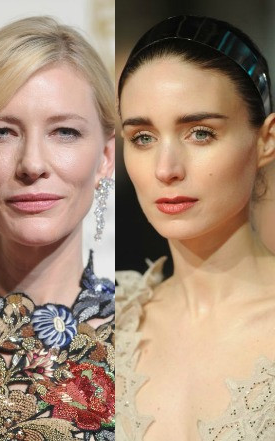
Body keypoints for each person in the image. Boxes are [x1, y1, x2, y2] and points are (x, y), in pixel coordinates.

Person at [0, 16, 116, 440]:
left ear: (105, 158)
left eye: (64, 132)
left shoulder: (149, 333)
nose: (32, 164)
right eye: (1, 133)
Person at [116, 15, 275, 441]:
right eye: (143, 138)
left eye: (200, 133)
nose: (166, 169)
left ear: (265, 140)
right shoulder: (106, 322)